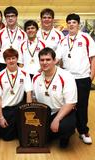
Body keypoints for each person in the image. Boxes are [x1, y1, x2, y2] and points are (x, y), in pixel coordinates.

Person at [56, 13, 95, 144]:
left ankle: (83, 131)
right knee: (67, 105)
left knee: (82, 106)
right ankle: (68, 131)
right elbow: (58, 59)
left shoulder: (86, 38)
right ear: (67, 24)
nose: (71, 24)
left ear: (79, 24)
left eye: (74, 22)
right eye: (69, 22)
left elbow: (92, 58)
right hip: (67, 79)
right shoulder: (63, 40)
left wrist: (91, 76)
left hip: (83, 77)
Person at [32, 47, 77, 148]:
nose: (45, 62)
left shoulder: (66, 76)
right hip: (45, 112)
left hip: (62, 112)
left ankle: (64, 137)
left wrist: (57, 119)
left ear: (54, 61)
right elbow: (34, 98)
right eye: (42, 60)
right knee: (39, 137)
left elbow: (71, 103)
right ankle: (52, 132)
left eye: (48, 59)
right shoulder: (36, 77)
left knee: (66, 127)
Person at [0, 48, 32, 140]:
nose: (11, 61)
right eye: (8, 59)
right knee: (7, 138)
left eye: (13, 58)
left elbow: (28, 93)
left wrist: (28, 112)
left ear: (17, 59)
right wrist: (1, 117)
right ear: (5, 61)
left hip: (19, 108)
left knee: (23, 136)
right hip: (6, 109)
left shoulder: (24, 73)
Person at [0, 6, 27, 70]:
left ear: (16, 17)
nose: (10, 18)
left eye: (12, 16)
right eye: (8, 16)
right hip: (2, 64)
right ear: (5, 18)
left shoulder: (23, 34)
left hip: (17, 64)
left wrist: (22, 67)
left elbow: (25, 52)